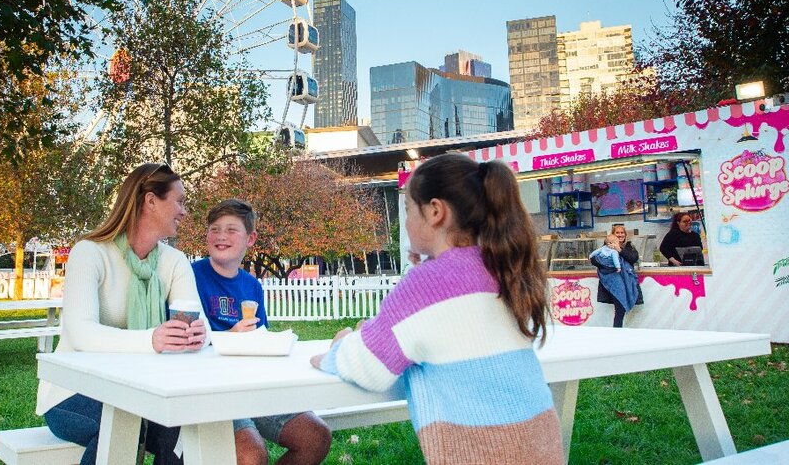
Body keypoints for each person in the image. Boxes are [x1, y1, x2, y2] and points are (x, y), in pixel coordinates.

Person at [311, 154, 563, 464]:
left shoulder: (427, 283)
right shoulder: (502, 267)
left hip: (483, 452)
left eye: (407, 209)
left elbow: (368, 367)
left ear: (434, 211)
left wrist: (339, 347)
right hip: (541, 442)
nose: (405, 221)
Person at [36, 163, 209, 465]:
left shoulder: (174, 262)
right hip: (74, 392)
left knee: (186, 431)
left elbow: (196, 318)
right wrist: (151, 340)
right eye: (179, 201)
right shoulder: (90, 253)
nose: (184, 212)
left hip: (145, 391)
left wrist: (197, 334)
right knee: (123, 426)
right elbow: (80, 333)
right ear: (151, 201)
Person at [191, 199, 331, 465]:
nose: (221, 236)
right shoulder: (190, 276)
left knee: (316, 436)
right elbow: (186, 343)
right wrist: (228, 338)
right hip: (212, 391)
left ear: (250, 238)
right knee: (252, 455)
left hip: (251, 384)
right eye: (214, 228)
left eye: (231, 230)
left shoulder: (252, 286)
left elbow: (259, 337)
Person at [589, 226, 641, 328]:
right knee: (620, 306)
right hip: (613, 281)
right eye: (617, 233)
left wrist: (619, 249)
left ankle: (617, 329)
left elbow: (633, 258)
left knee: (620, 307)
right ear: (613, 235)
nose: (620, 235)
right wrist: (609, 267)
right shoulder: (605, 248)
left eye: (622, 233)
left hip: (627, 280)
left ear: (625, 235)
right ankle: (617, 330)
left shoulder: (629, 246)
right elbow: (594, 260)